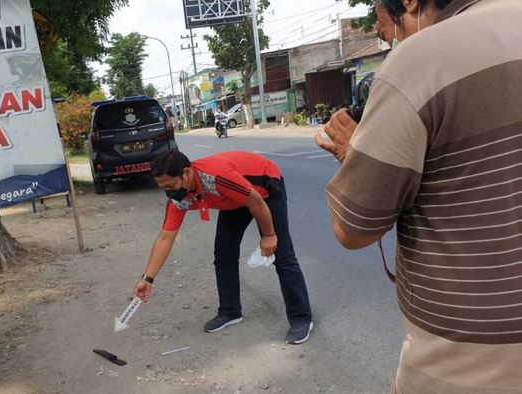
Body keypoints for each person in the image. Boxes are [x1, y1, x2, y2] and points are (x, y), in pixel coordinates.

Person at [315, 0, 522, 392]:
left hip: (469, 365)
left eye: (387, 31)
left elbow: (354, 230)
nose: (395, 43)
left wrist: (352, 154)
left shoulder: (421, 59)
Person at [134, 150, 313, 344]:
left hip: (264, 188)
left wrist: (269, 235)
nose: (168, 192)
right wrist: (148, 278)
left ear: (186, 173)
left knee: (282, 254)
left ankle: (301, 319)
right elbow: (164, 238)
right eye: (163, 188)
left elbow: (255, 201)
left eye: (170, 185)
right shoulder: (179, 198)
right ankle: (230, 311)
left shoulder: (217, 177)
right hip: (234, 199)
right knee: (223, 254)